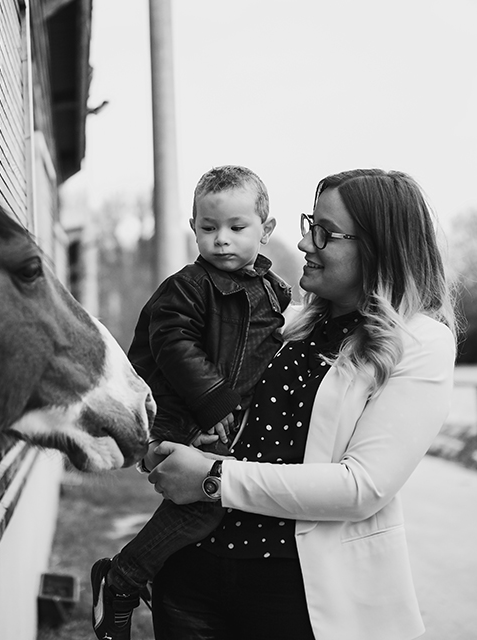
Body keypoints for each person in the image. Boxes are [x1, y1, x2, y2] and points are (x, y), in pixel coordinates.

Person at [144, 168, 458, 640]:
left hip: (298, 596)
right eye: (310, 224)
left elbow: (362, 486)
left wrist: (212, 480)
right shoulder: (281, 325)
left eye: (324, 233)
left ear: (377, 246)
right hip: (192, 578)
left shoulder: (421, 343)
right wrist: (170, 443)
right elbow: (184, 372)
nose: (306, 243)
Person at [90, 166, 293, 640]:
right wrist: (211, 403)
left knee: (218, 505)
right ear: (194, 229)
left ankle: (145, 578)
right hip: (182, 415)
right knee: (203, 506)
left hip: (221, 422)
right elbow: (171, 344)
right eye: (208, 228)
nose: (221, 240)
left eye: (236, 228)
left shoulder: (273, 290)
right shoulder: (187, 286)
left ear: (266, 230)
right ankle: (120, 580)